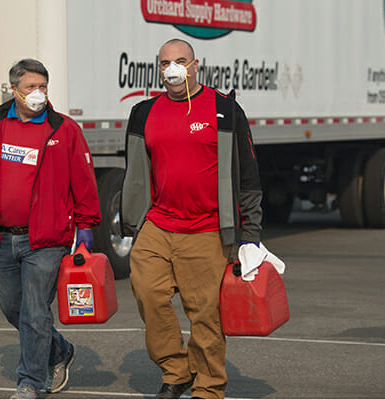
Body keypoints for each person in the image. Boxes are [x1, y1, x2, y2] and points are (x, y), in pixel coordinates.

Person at [120, 39, 284, 399]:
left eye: (181, 61)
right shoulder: (143, 113)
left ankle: (208, 388)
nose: (173, 69)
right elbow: (135, 172)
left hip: (208, 230)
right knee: (148, 294)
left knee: (204, 315)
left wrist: (250, 235)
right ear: (158, 69)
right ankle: (176, 370)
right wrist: (134, 218)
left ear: (196, 65)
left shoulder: (224, 109)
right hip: (159, 225)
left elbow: (248, 176)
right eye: (165, 63)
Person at [0, 59, 101, 399]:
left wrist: (86, 225)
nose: (38, 93)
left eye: (43, 87)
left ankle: (31, 383)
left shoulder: (63, 129)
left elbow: (83, 182)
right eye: (30, 87)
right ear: (14, 90)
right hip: (3, 238)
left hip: (46, 240)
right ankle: (59, 350)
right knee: (14, 308)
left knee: (35, 311)